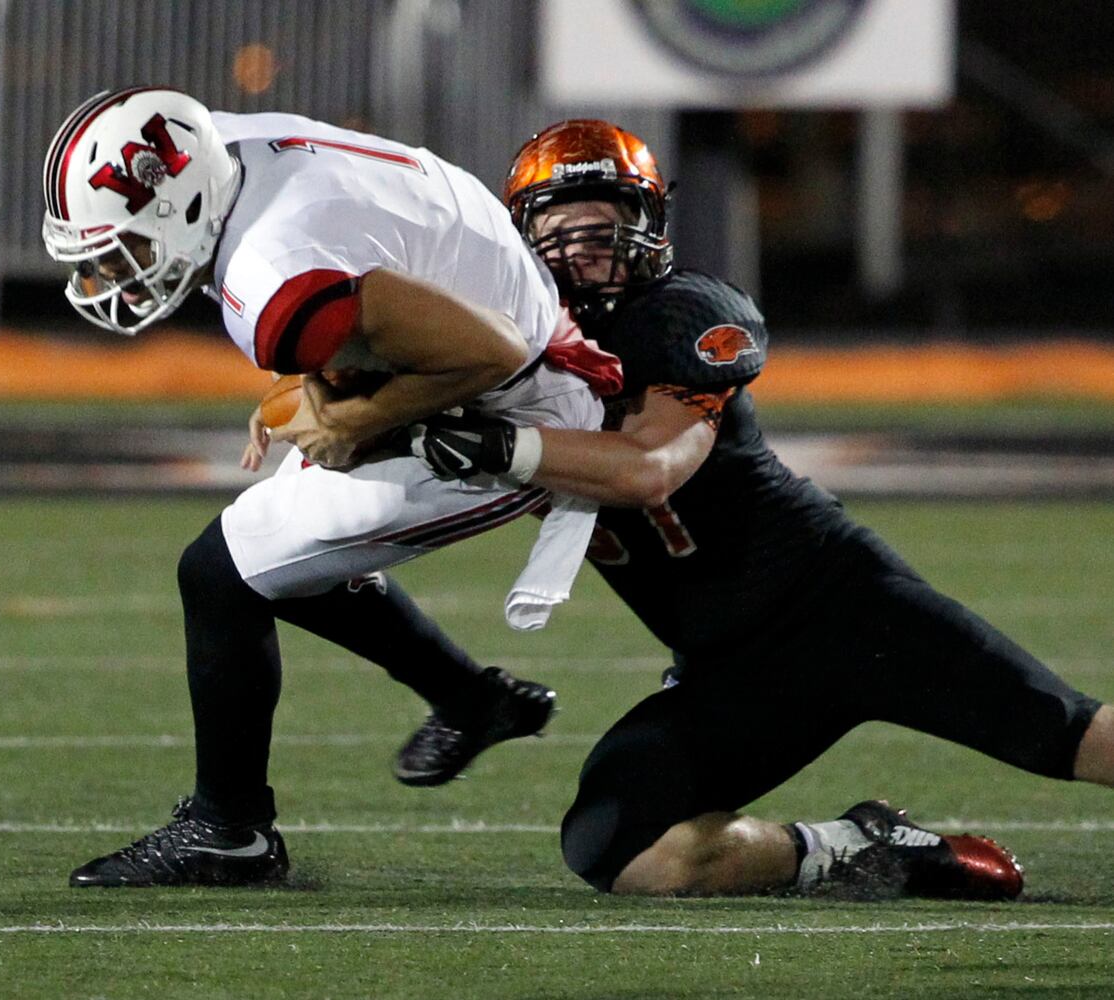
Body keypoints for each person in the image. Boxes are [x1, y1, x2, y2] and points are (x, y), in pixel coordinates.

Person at [401, 119, 1114, 900]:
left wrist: (494, 444)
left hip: (844, 612)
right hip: (730, 668)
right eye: (560, 229)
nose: (583, 250)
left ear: (651, 228)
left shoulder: (680, 314)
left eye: (608, 226)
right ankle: (865, 849)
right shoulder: (496, 351)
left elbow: (648, 469)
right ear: (519, 238)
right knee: (618, 846)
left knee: (1072, 737)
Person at [40, 88, 620, 887]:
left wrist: (354, 418)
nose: (114, 271)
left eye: (128, 245)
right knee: (276, 554)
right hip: (479, 316)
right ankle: (471, 700)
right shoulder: (222, 148)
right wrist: (330, 384)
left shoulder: (273, 272)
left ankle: (229, 830)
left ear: (189, 202)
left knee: (222, 573)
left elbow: (491, 349)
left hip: (520, 402)